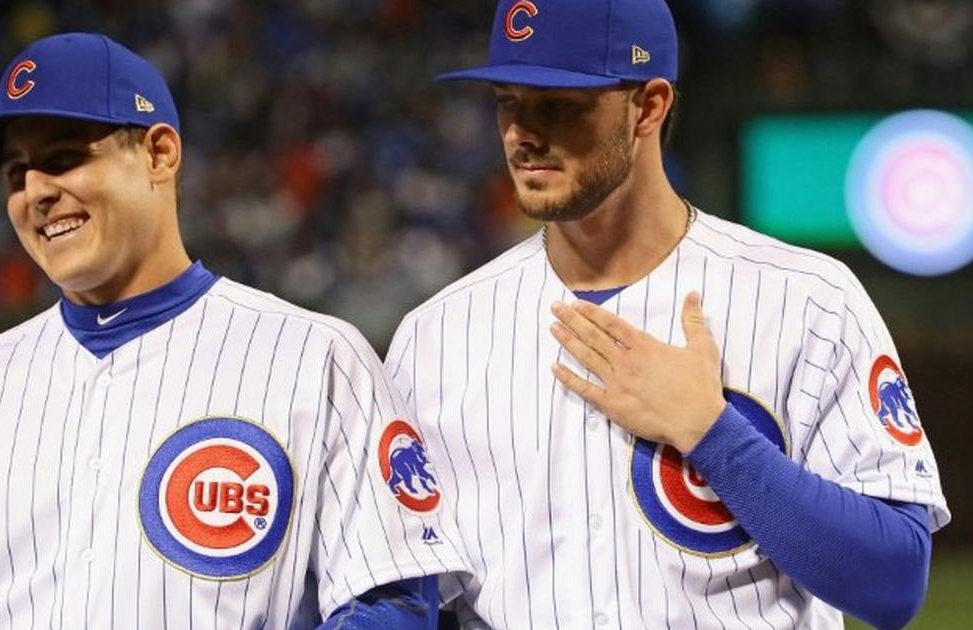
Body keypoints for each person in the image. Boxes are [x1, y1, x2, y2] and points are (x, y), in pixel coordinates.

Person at [0, 32, 467, 630]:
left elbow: (392, 601)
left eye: (65, 159)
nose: (36, 192)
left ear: (159, 153)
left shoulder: (313, 357)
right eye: (16, 174)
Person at [385, 1, 950, 628]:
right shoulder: (436, 336)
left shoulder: (807, 299)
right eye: (507, 100)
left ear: (648, 106)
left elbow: (896, 580)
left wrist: (712, 435)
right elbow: (409, 590)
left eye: (559, 103)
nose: (523, 133)